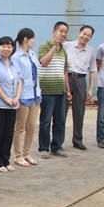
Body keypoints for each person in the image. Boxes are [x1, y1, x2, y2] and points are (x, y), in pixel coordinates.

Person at [37, 21, 71, 159]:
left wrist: (68, 90)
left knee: (60, 121)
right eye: (60, 31)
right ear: (54, 31)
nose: (63, 34)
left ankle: (56, 147)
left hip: (60, 91)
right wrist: (54, 47)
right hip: (47, 90)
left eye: (65, 32)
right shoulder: (44, 46)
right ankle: (43, 148)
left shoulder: (63, 50)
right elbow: (44, 63)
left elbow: (65, 71)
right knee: (45, 121)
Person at [0, 36, 23, 172]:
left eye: (9, 46)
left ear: (13, 48)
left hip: (12, 105)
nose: (6, 49)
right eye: (3, 46)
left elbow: (19, 81)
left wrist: (17, 98)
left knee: (8, 133)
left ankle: (6, 159)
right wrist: (6, 99)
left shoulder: (15, 63)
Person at [64, 25, 97, 150]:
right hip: (67, 78)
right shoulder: (67, 45)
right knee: (62, 110)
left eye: (89, 35)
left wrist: (91, 88)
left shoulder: (90, 51)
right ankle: (58, 141)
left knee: (79, 111)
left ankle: (77, 140)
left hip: (81, 80)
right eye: (84, 34)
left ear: (91, 38)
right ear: (79, 33)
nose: (85, 37)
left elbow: (92, 70)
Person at [12, 28, 42, 166]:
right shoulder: (16, 57)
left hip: (35, 94)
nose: (34, 41)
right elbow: (18, 78)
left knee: (31, 126)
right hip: (24, 95)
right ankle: (18, 155)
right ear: (25, 39)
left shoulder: (32, 54)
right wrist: (18, 97)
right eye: (33, 38)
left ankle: (27, 153)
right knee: (20, 127)